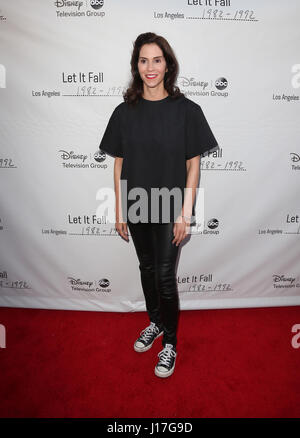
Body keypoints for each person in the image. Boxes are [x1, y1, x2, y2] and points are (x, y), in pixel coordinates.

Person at [99, 32, 218, 378]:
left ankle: (170, 343)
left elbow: (193, 164)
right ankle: (154, 322)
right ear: (136, 66)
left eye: (157, 60)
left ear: (168, 65)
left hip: (170, 206)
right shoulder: (124, 112)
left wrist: (186, 213)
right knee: (147, 270)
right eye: (143, 60)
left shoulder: (187, 111)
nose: (150, 67)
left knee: (165, 277)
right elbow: (119, 163)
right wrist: (119, 209)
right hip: (136, 204)